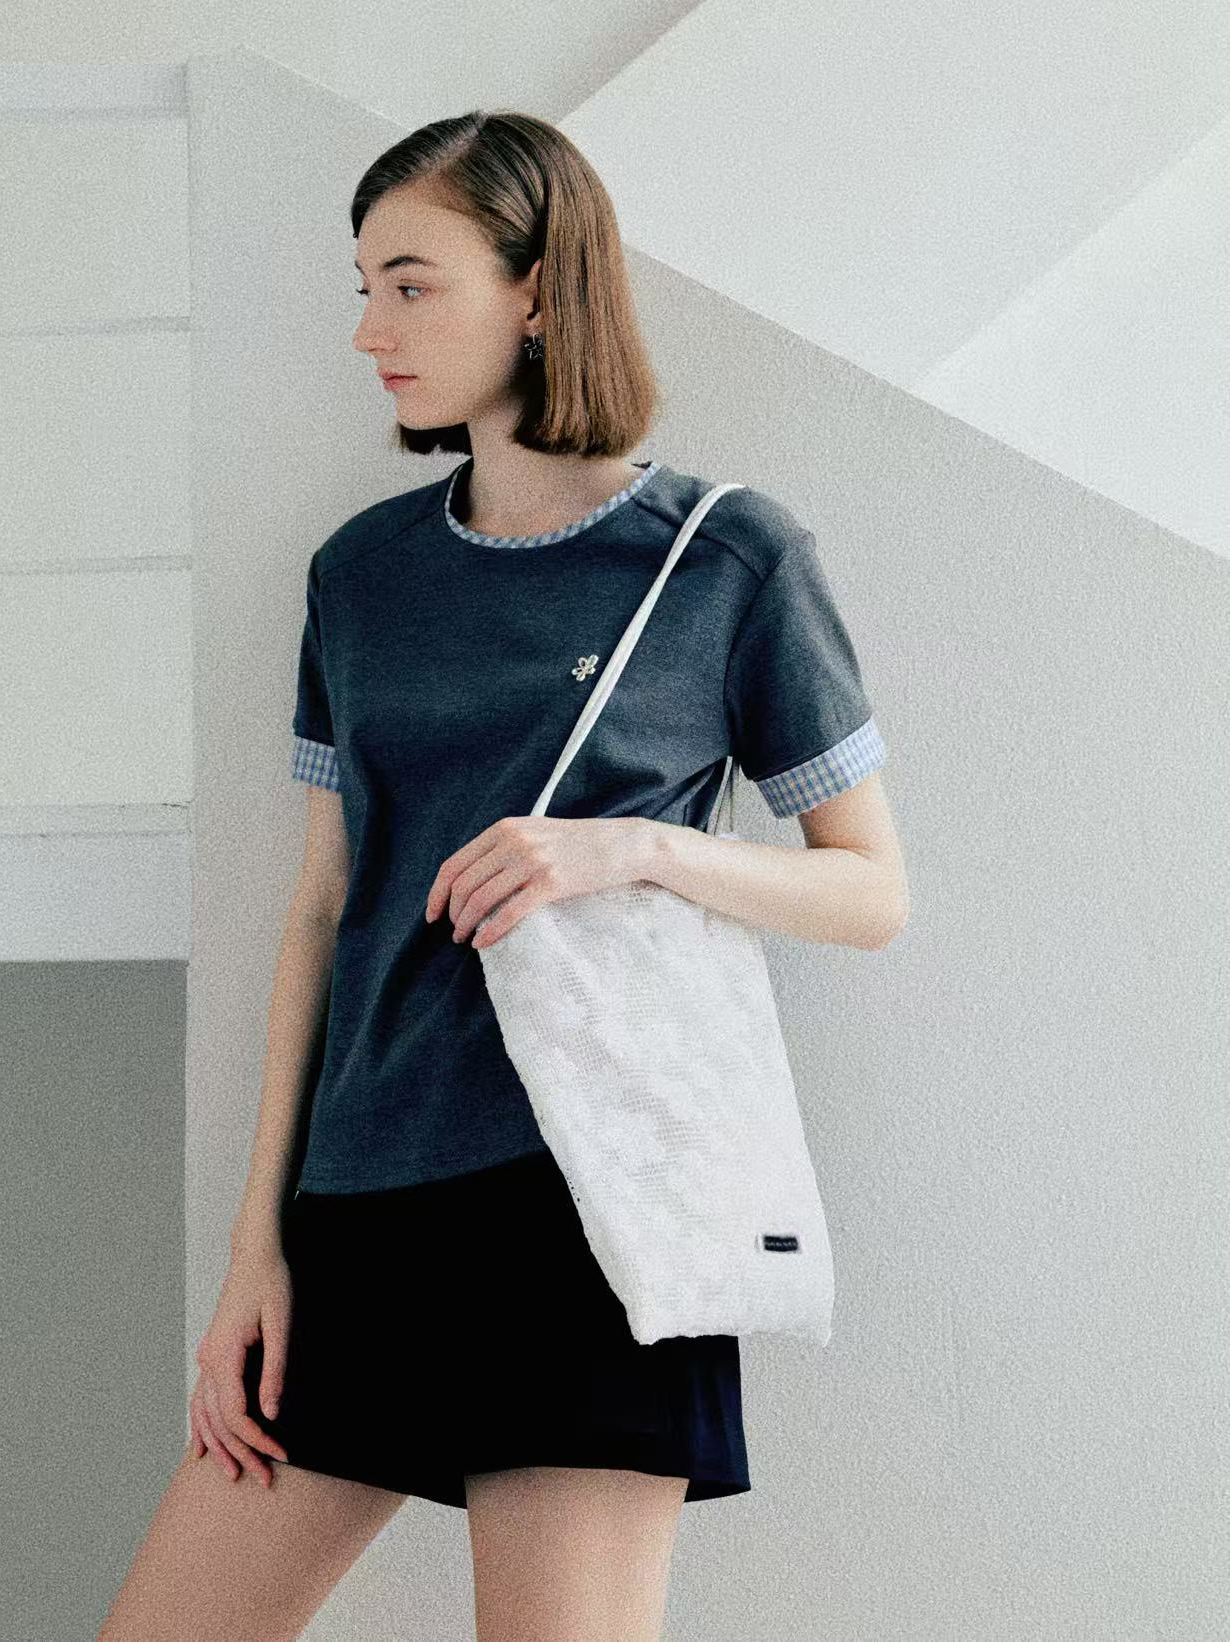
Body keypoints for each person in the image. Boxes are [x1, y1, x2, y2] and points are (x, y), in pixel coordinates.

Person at [97, 110, 908, 1642]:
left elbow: (870, 889)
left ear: (539, 289)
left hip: (589, 1214)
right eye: (364, 288)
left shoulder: (729, 557)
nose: (369, 330)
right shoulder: (361, 575)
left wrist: (631, 846)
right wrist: (257, 1247)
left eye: (412, 285)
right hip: (360, 1207)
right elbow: (323, 912)